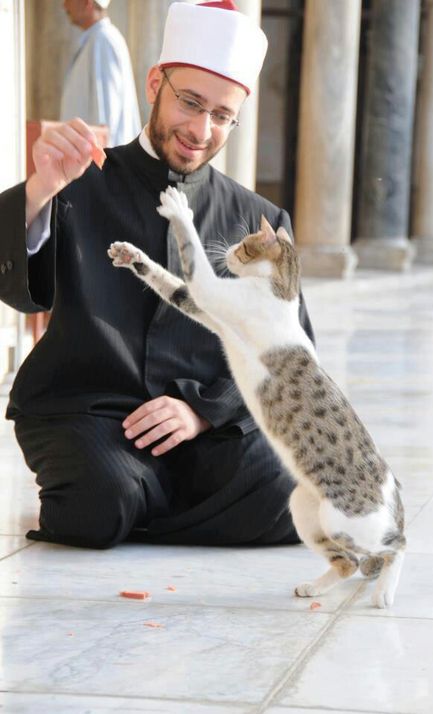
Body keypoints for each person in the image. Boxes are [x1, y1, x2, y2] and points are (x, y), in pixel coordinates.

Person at [0, 0, 315, 549]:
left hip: (205, 431)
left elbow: (291, 352)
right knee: (100, 505)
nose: (200, 129)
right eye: (189, 103)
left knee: (294, 487)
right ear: (155, 84)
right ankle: (139, 499)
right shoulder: (78, 182)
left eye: (222, 115)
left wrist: (201, 410)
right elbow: (20, 294)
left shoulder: (258, 221)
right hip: (89, 412)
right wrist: (37, 192)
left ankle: (146, 503)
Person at [60, 0, 141, 146]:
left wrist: (101, 166)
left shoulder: (103, 40)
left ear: (87, 3)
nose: (64, 5)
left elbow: (105, 118)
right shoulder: (97, 39)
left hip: (102, 162)